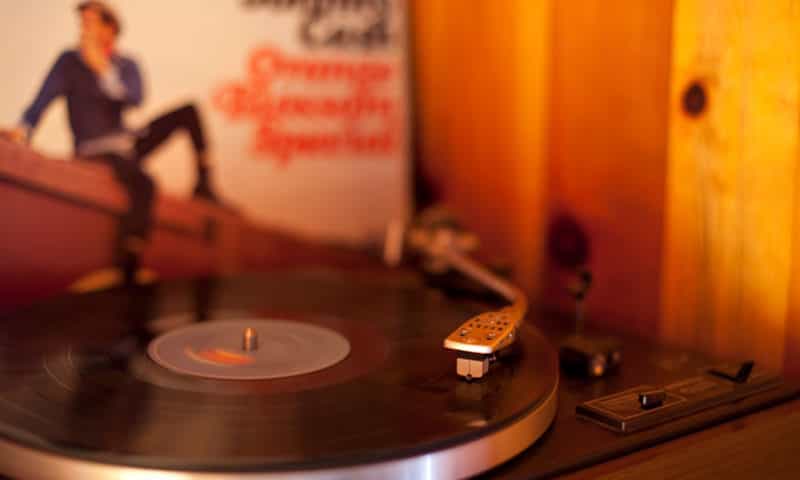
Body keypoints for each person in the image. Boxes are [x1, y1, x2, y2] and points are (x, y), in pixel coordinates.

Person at [5, 1, 222, 282]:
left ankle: (204, 183)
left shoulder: (126, 64)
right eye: (82, 24)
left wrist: (104, 71)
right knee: (144, 183)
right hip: (96, 149)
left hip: (127, 142)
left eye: (90, 24)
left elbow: (135, 99)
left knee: (188, 112)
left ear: (110, 29)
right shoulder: (69, 61)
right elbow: (42, 100)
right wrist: (23, 130)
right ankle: (129, 261)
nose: (84, 31)